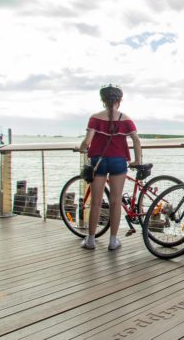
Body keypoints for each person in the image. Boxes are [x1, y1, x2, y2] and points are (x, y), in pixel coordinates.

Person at [77, 84, 142, 250]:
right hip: (118, 161)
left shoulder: (95, 118)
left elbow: (87, 141)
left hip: (99, 161)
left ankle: (91, 240)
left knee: (96, 202)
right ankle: (113, 241)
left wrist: (81, 148)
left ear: (103, 100)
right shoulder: (126, 119)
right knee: (115, 202)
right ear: (119, 100)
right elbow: (136, 140)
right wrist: (137, 160)